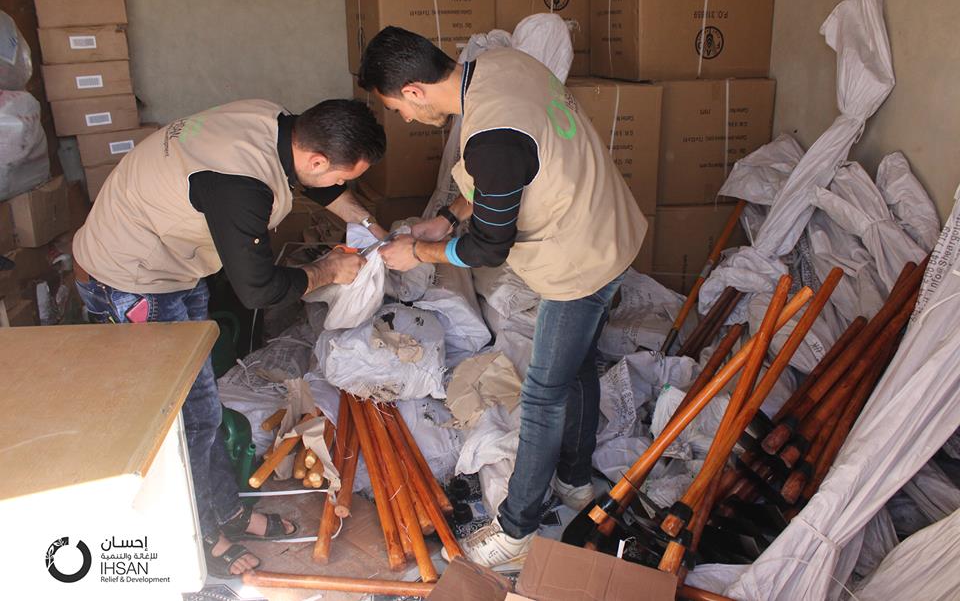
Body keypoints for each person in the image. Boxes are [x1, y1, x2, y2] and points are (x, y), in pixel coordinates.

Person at [358, 28, 648, 567]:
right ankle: (575, 481)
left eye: (396, 107)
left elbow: (488, 246)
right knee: (578, 364)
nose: (403, 118)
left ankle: (516, 534)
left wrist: (418, 256)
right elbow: (504, 181)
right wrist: (441, 221)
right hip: (612, 226)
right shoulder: (500, 67)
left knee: (541, 396)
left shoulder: (489, 136)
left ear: (415, 90)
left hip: (580, 258)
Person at [71, 98, 386, 576]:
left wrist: (371, 227)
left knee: (203, 409)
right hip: (131, 279)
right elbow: (258, 289)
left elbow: (318, 187)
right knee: (177, 423)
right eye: (343, 177)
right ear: (318, 159)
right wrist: (329, 269)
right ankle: (199, 540)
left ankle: (225, 511)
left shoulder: (277, 123)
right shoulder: (241, 185)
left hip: (170, 263)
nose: (341, 187)